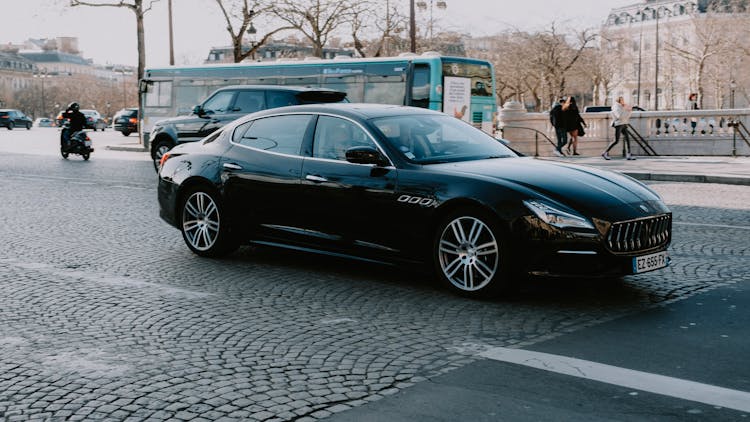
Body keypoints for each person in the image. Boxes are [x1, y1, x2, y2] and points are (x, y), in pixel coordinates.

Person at [601, 96, 634, 160]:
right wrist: (626, 110)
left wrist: (629, 110)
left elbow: (627, 116)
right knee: (616, 140)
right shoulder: (616, 107)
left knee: (627, 138)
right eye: (621, 100)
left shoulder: (622, 106)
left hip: (624, 123)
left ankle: (628, 154)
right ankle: (605, 152)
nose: (623, 101)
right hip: (618, 124)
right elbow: (619, 116)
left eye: (623, 100)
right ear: (618, 100)